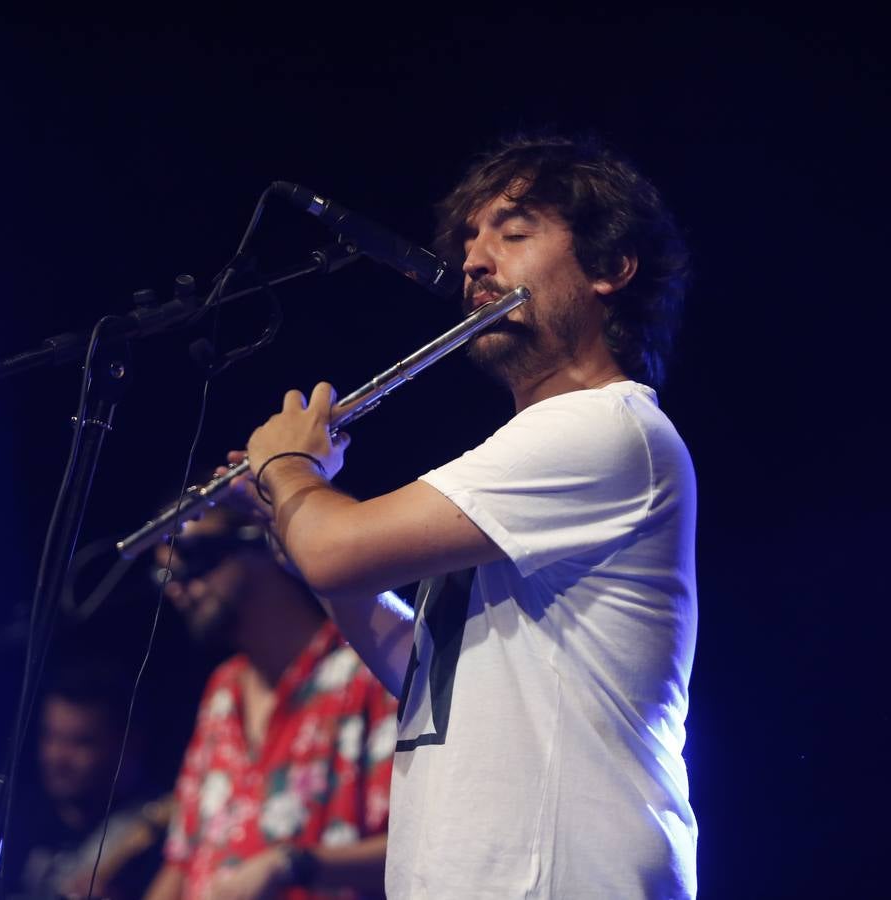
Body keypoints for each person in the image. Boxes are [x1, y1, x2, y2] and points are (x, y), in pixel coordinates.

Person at [232, 134, 698, 898]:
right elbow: (421, 673)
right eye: (471, 243)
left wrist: (291, 471)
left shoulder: (605, 429)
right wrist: (284, 509)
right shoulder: (527, 455)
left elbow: (335, 550)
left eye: (513, 235)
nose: (475, 264)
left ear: (613, 268)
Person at [143, 503, 398, 900]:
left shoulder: (370, 673)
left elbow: (418, 848)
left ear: (264, 541)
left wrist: (292, 863)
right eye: (166, 574)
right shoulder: (223, 689)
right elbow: (183, 859)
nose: (177, 587)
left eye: (193, 558)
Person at [7, 659, 168, 900]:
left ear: (127, 744)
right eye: (50, 736)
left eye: (80, 742)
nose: (56, 756)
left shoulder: (160, 834)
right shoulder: (17, 817)